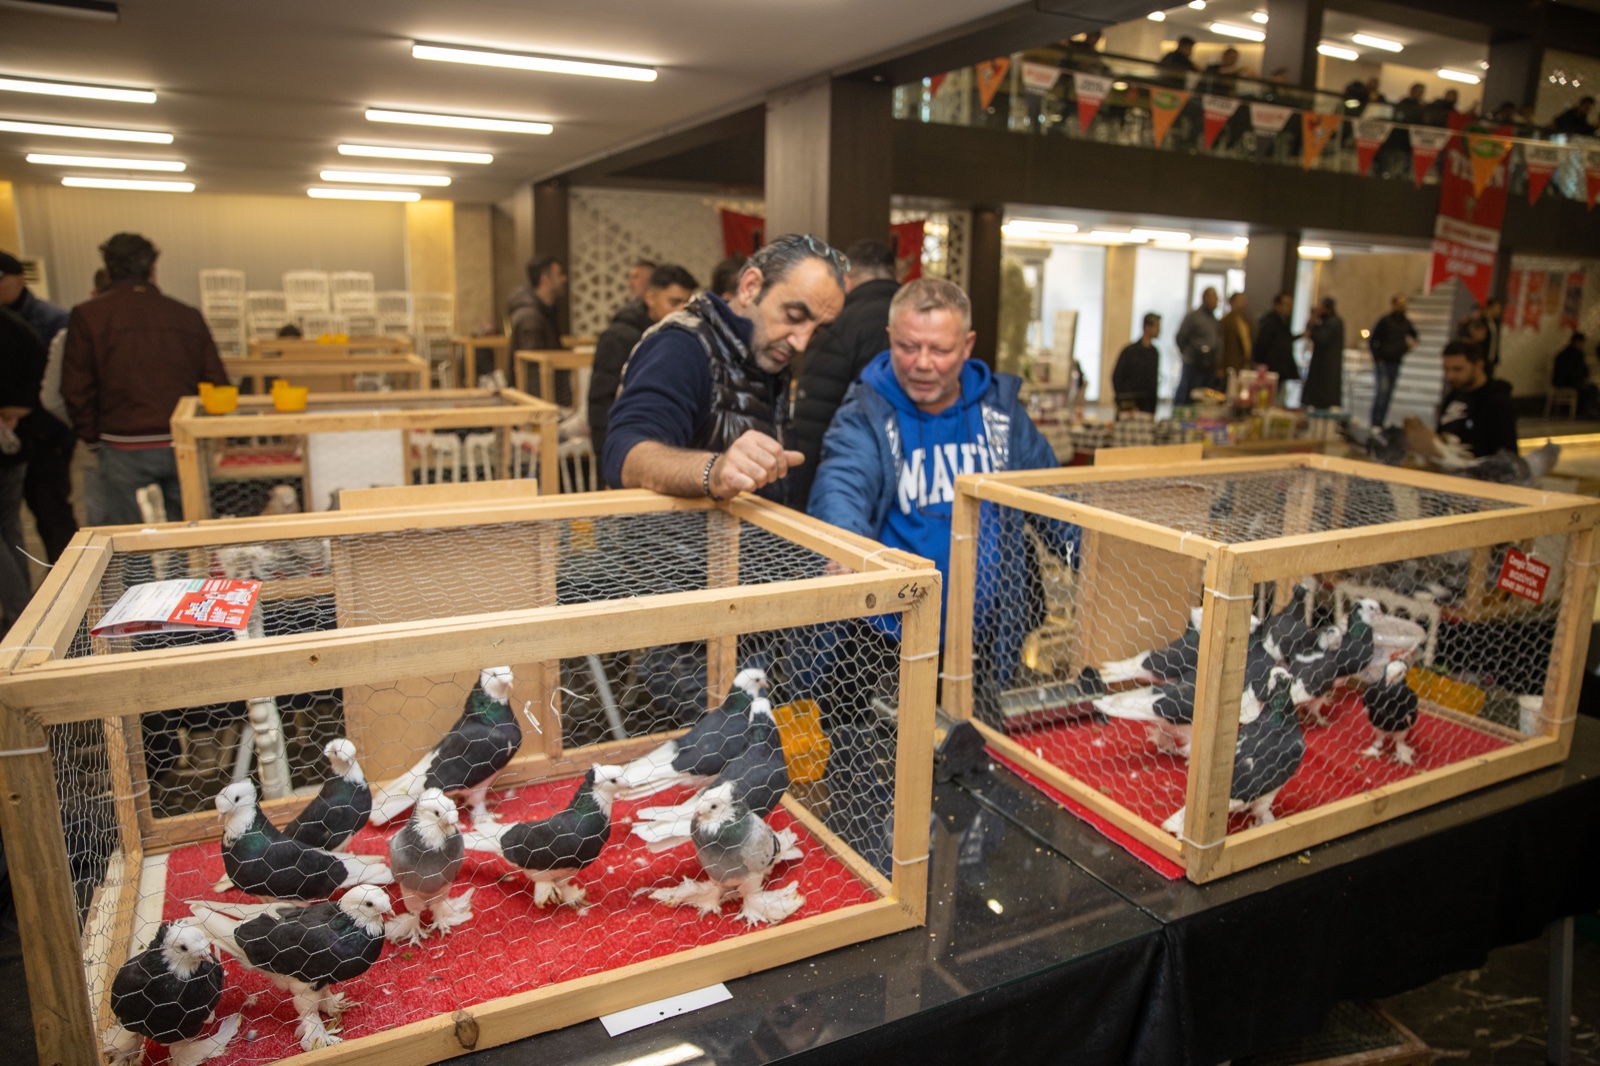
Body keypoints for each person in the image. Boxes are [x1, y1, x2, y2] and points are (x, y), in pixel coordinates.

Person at [602, 234, 846, 504]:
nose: (801, 343)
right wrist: (714, 470)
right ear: (750, 286)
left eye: (817, 331)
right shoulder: (681, 346)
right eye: (794, 317)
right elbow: (625, 455)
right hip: (672, 543)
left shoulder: (764, 357)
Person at [61, 232, 229, 526]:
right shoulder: (185, 316)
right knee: (190, 529)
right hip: (181, 441)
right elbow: (217, 382)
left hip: (121, 442)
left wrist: (92, 438)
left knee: (129, 539)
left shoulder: (88, 316)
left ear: (108, 268)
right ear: (153, 269)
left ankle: (144, 573)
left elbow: (76, 387)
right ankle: (190, 570)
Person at [790, 240, 900, 511]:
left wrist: (799, 494)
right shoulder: (913, 321)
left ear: (847, 281)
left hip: (847, 469)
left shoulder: (838, 324)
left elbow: (814, 418)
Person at [587, 263, 698, 482]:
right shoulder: (619, 337)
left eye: (687, 303)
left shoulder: (687, 339)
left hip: (668, 458)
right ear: (650, 298)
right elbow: (601, 404)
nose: (681, 311)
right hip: (625, 455)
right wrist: (609, 465)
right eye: (674, 302)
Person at [0, 251, 76, 561]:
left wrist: (28, 407)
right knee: (12, 519)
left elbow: (65, 383)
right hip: (12, 436)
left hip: (47, 433)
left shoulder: (53, 320)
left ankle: (68, 579)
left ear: (19, 279)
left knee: (50, 508)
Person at [0, 307, 46, 632]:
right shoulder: (18, 327)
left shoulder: (16, 329)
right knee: (9, 524)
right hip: (13, 446)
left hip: (12, 447)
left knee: (8, 525)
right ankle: (22, 610)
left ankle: (19, 614)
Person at [1438, 340, 1517, 458]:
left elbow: (1506, 453)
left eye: (1457, 369)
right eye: (1446, 369)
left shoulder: (1497, 402)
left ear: (1478, 365)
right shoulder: (1455, 395)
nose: (1450, 376)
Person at [508, 255, 569, 403]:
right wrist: (540, 412)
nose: (564, 279)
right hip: (540, 406)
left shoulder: (545, 311)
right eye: (559, 274)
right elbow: (532, 372)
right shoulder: (530, 318)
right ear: (545, 279)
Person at [1368, 294, 1418, 426]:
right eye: (1399, 304)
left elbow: (1415, 336)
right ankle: (1375, 420)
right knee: (1382, 391)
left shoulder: (1406, 323)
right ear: (1394, 305)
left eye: (1404, 304)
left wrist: (1407, 347)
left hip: (1396, 362)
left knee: (1388, 393)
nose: (1402, 307)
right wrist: (1377, 358)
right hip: (1383, 362)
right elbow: (1373, 340)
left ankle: (1381, 421)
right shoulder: (1385, 321)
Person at [1174, 287, 1221, 404]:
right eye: (1213, 297)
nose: (1215, 301)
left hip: (1209, 364)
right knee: (1189, 394)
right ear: (1205, 298)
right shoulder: (1193, 317)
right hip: (1194, 363)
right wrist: (1188, 353)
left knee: (1205, 397)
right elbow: (1181, 337)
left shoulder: (1214, 320)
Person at [1112, 313, 1162, 414]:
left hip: (1148, 406)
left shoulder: (1154, 353)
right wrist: (1124, 401)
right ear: (1147, 327)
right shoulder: (1130, 351)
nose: (1159, 330)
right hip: (1130, 405)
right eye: (1156, 326)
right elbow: (1117, 377)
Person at [1301, 296, 1345, 409]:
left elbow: (1321, 339)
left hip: (1327, 364)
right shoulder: (1326, 321)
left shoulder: (1334, 322)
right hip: (1321, 362)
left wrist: (1313, 327)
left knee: (1325, 393)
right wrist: (1312, 320)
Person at [1255, 292, 1301, 387]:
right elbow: (1262, 345)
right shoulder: (1270, 322)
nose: (1289, 308)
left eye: (1290, 305)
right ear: (1277, 305)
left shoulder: (1283, 321)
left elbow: (1286, 340)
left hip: (1281, 368)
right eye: (1286, 305)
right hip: (1272, 368)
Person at [1551, 332, 1599, 417]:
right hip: (1565, 381)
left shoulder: (1577, 354)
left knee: (1592, 388)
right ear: (1576, 342)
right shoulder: (1566, 355)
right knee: (1587, 390)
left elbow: (1583, 369)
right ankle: (1581, 411)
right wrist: (1581, 380)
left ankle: (1588, 410)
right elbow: (1569, 372)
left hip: (1573, 380)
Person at [1218, 292, 1253, 377]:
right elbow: (1221, 345)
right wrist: (1220, 366)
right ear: (1232, 302)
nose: (1244, 302)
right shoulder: (1225, 321)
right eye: (1241, 300)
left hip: (1244, 363)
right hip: (1231, 363)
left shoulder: (1246, 320)